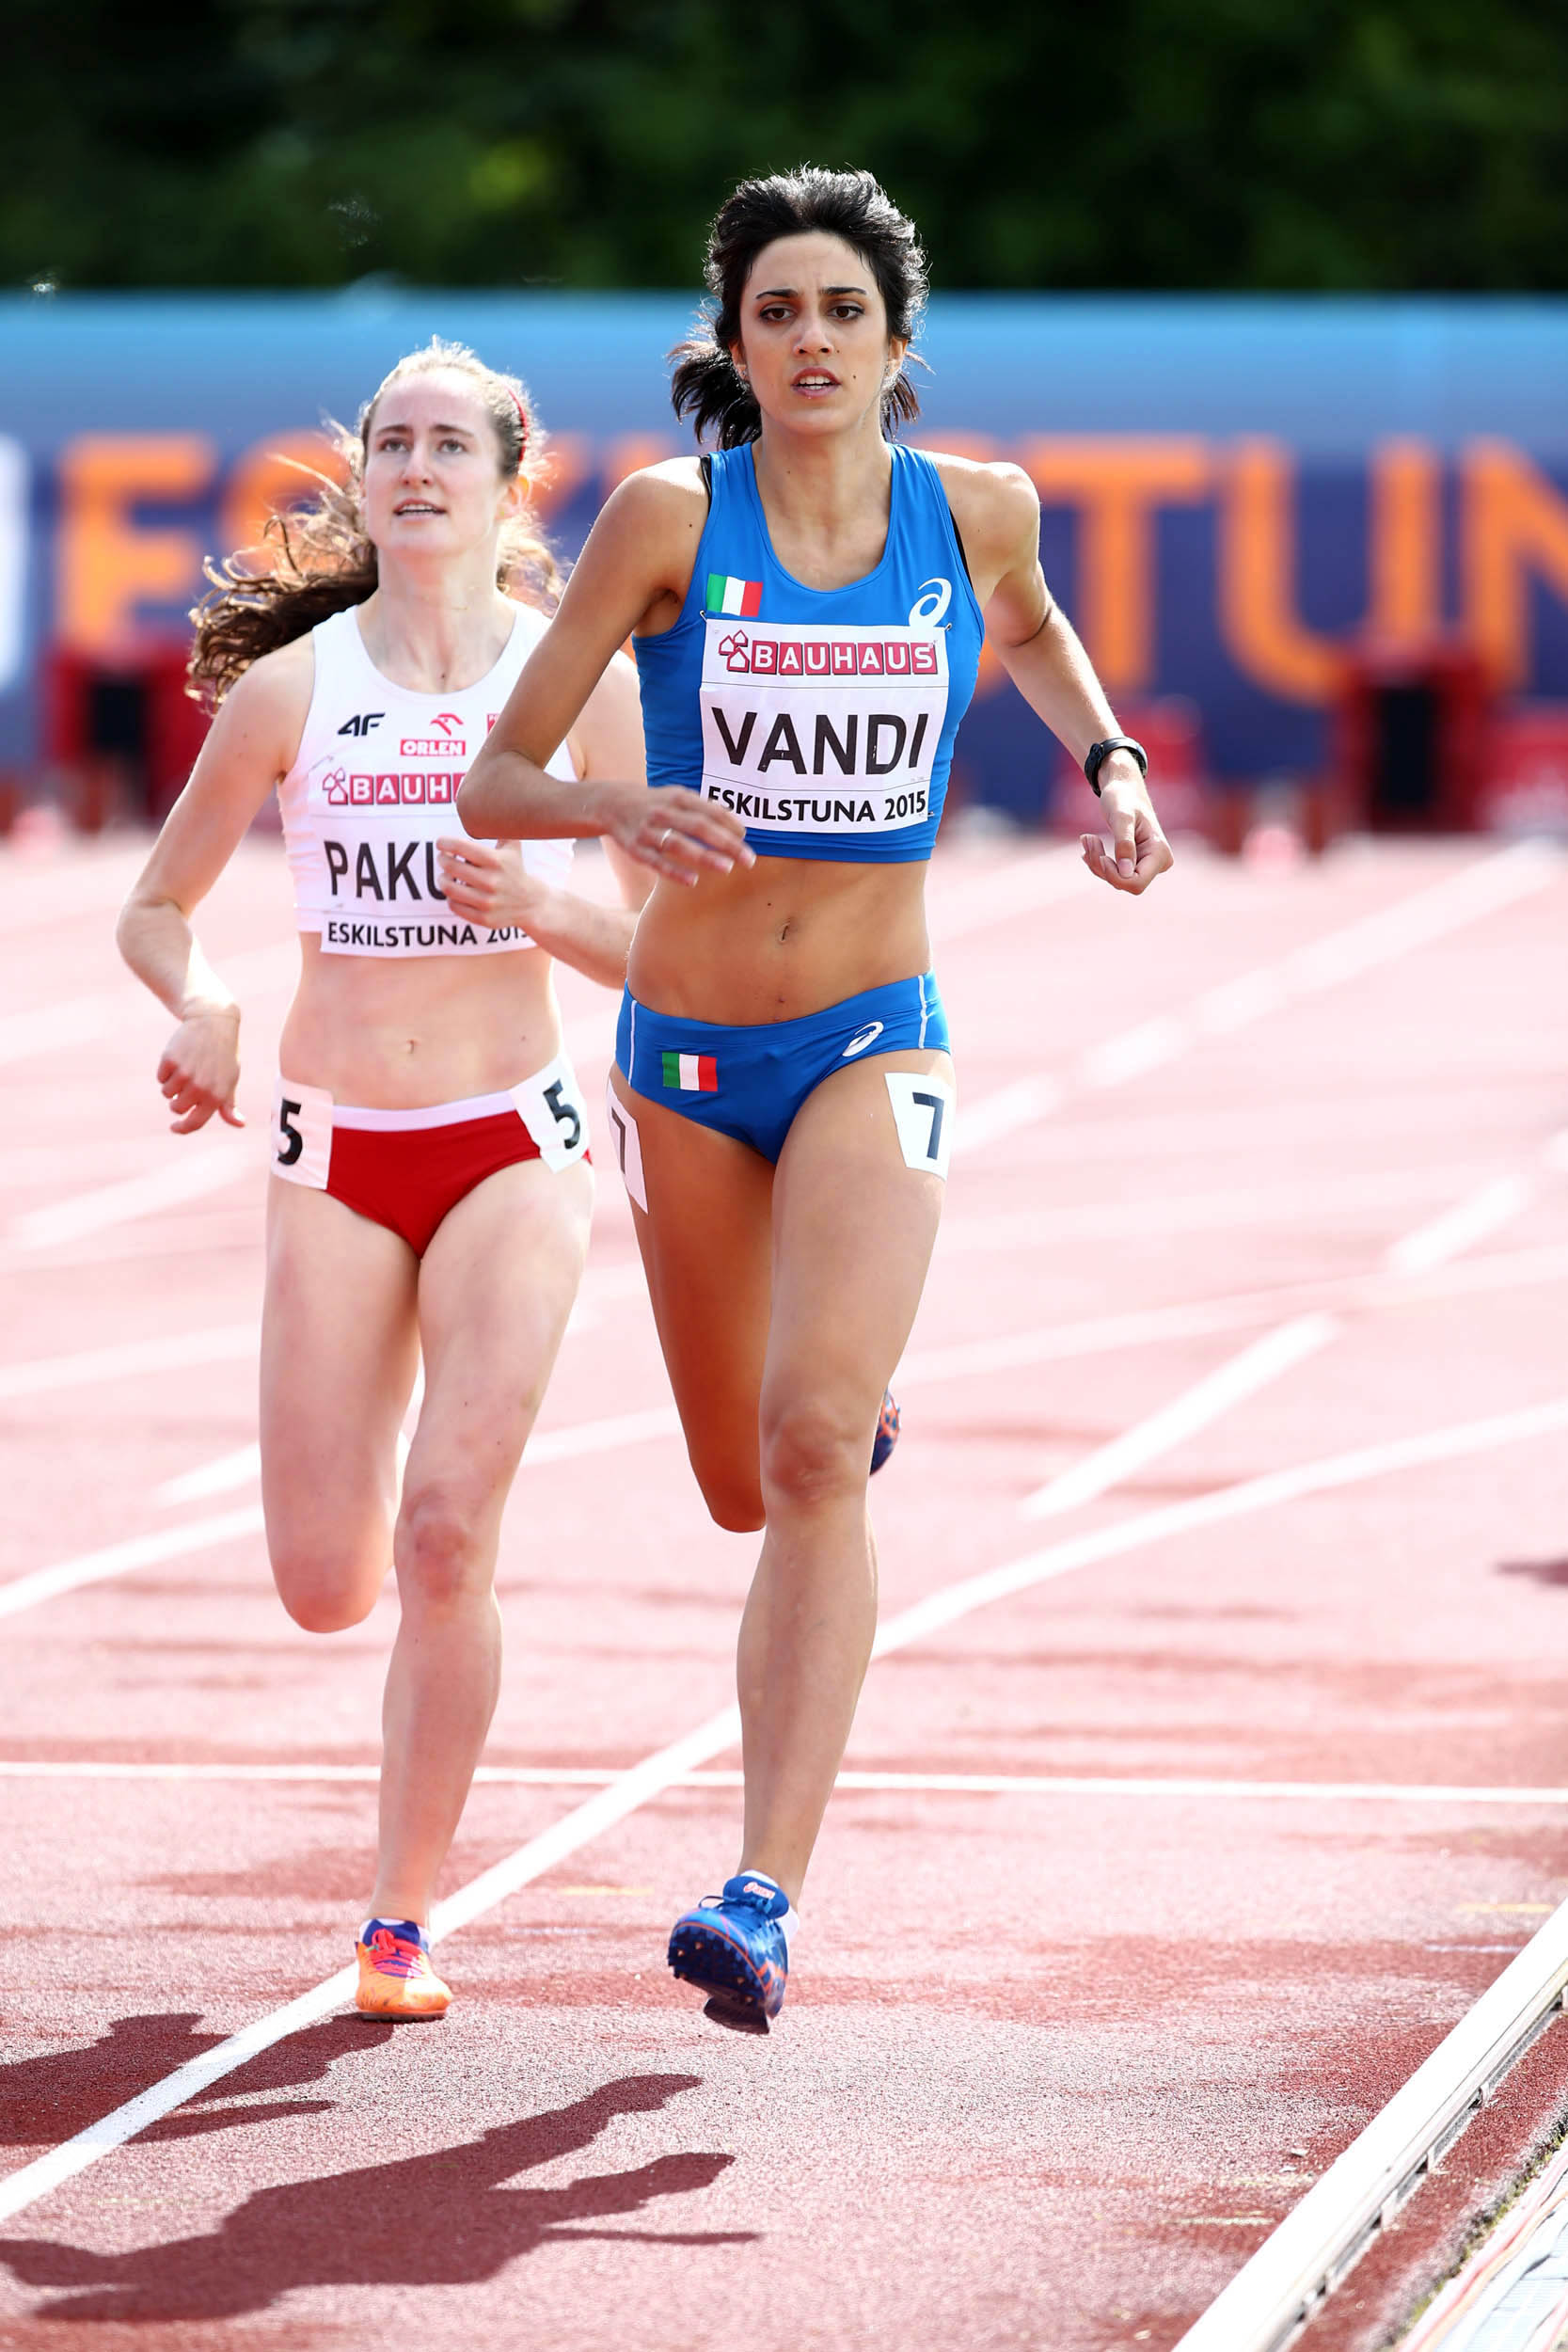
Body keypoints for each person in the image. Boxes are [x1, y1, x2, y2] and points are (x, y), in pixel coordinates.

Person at [459, 168, 1173, 2032]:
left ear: (896, 340)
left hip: (877, 1032)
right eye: (777, 311)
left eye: (844, 310)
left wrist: (1110, 764)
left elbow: (1031, 626)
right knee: (737, 1482)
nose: (811, 341)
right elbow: (498, 783)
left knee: (806, 1451)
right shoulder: (668, 520)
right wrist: (619, 806)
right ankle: (831, 1412)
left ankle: (762, 1893)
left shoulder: (979, 509)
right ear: (735, 341)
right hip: (689, 1062)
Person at [118, 339, 650, 2020]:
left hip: (510, 1143)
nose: (418, 468)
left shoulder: (575, 688)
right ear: (363, 480)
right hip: (336, 1157)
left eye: (450, 445)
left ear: (510, 482)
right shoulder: (295, 691)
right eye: (394, 444)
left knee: (443, 1531)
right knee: (324, 1579)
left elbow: (664, 951)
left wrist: (540, 904)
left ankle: (399, 1921)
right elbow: (155, 907)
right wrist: (207, 1009)